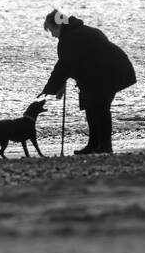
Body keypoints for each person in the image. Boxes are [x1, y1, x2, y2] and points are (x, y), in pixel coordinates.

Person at [38, 9, 137, 154]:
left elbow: (64, 66)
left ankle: (104, 146)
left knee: (99, 109)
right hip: (109, 71)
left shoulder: (69, 39)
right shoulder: (82, 31)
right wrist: (58, 85)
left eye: (51, 30)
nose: (52, 35)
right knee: (93, 108)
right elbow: (72, 63)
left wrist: (50, 88)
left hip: (109, 73)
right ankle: (95, 145)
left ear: (57, 25)